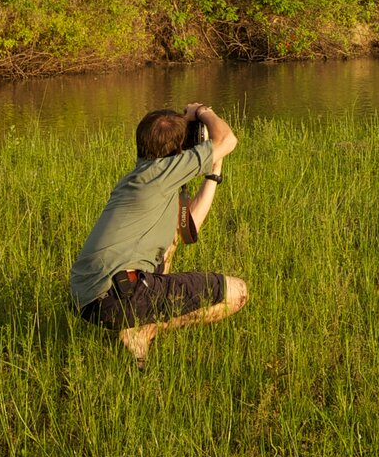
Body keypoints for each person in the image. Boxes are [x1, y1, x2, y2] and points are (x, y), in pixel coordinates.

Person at [69, 102, 249, 366]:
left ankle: (138, 325)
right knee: (237, 292)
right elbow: (228, 139)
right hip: (115, 297)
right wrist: (203, 112)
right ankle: (144, 330)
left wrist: (213, 173)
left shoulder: (146, 175)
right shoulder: (160, 174)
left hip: (90, 297)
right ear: (178, 150)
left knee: (169, 246)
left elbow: (187, 230)